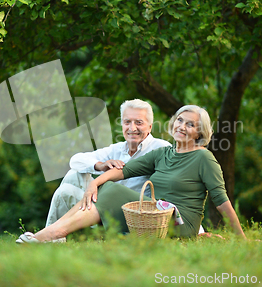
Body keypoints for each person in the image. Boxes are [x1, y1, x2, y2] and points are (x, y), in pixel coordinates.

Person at [17, 105, 241, 243]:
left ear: (200, 132)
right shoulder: (164, 153)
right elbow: (123, 170)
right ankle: (48, 235)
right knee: (106, 184)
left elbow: (221, 201)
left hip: (177, 225)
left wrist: (241, 238)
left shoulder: (204, 158)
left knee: (112, 191)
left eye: (190, 124)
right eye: (180, 120)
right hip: (152, 217)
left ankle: (49, 235)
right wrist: (95, 183)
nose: (182, 126)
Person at [44, 99, 171, 227]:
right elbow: (76, 160)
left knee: (67, 189)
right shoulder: (117, 149)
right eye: (127, 122)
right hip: (104, 206)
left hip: (133, 215)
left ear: (150, 126)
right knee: (69, 182)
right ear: (122, 125)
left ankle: (47, 236)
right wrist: (100, 165)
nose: (132, 128)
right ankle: (50, 236)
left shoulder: (162, 148)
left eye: (139, 122)